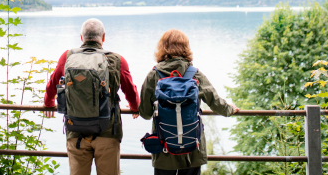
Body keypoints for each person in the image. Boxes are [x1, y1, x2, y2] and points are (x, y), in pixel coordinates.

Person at [44, 18, 140, 175]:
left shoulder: (67, 57)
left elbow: (52, 84)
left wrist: (48, 104)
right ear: (103, 37)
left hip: (75, 132)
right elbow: (130, 91)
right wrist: (135, 107)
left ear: (81, 37)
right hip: (107, 132)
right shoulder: (117, 60)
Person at [139, 29, 240, 175]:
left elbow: (146, 113)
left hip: (164, 146)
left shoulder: (154, 75)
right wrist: (230, 109)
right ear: (185, 48)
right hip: (193, 146)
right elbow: (215, 102)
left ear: (162, 48)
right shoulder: (194, 74)